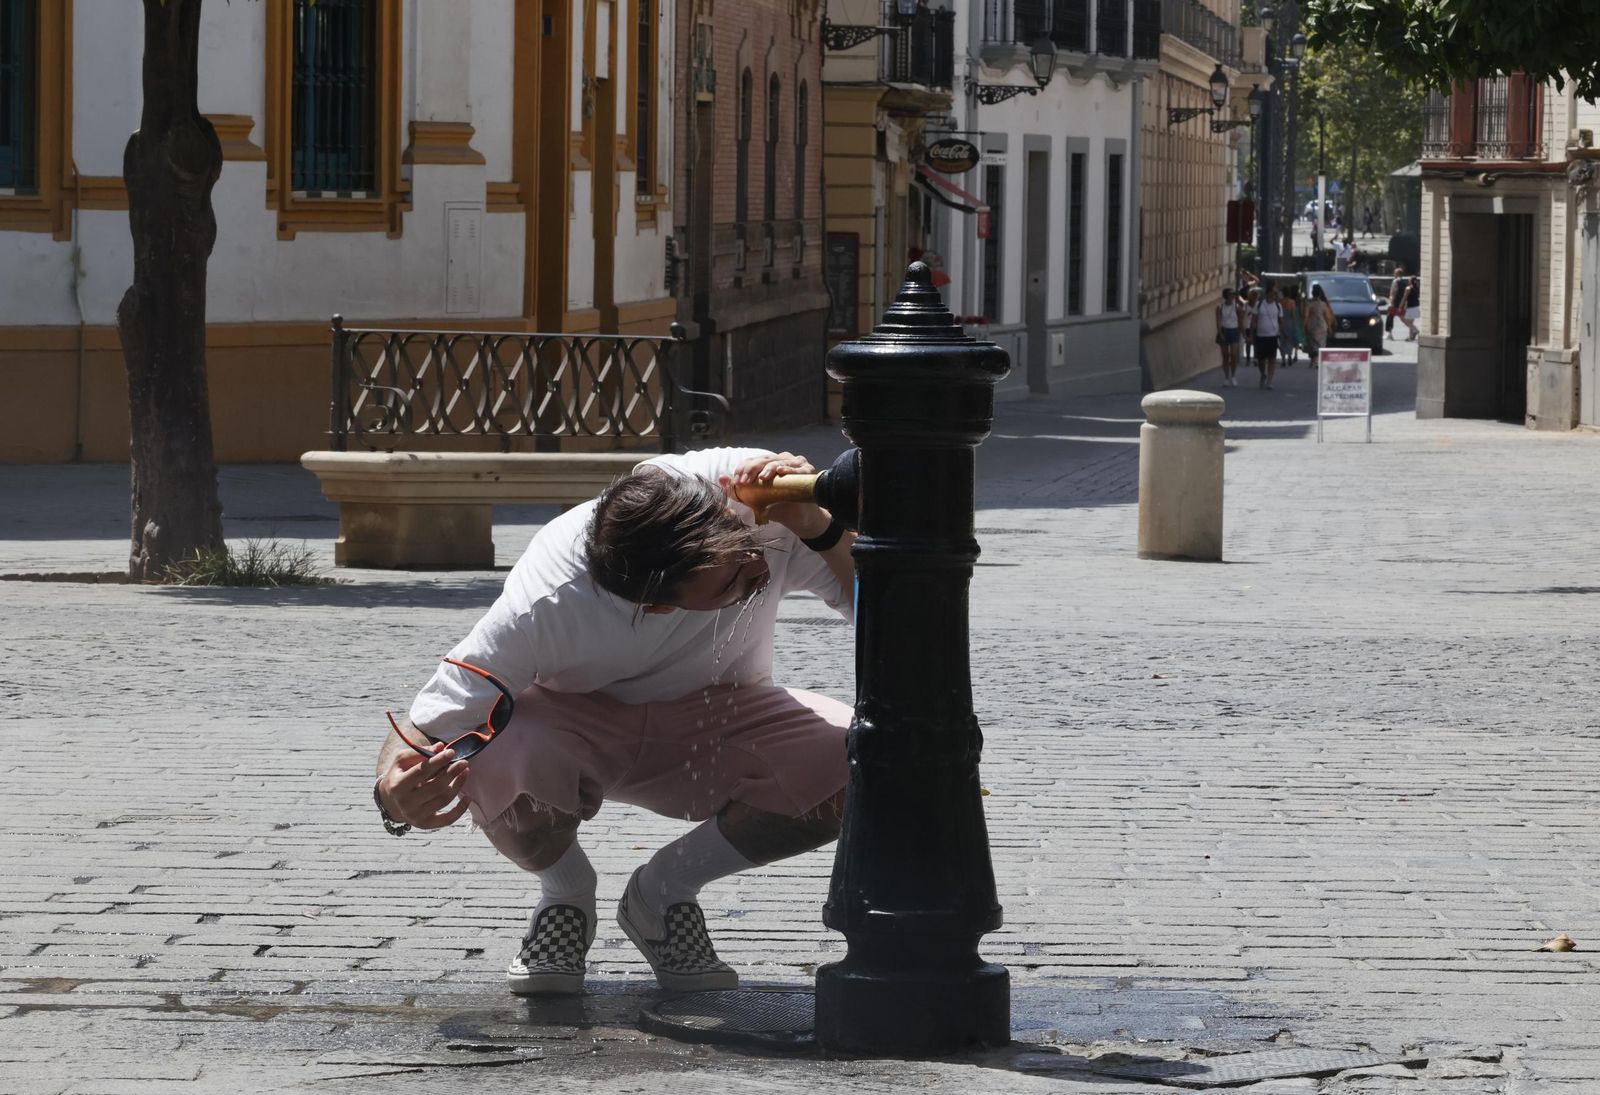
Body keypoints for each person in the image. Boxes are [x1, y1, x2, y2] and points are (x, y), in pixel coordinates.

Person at [371, 447, 857, 996]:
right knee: (487, 751)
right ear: (657, 608)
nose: (758, 573)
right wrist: (393, 798)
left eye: (745, 553)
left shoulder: (756, 497)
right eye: (729, 588)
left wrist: (820, 527)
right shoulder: (549, 603)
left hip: (722, 715)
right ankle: (567, 894)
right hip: (571, 726)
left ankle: (663, 892)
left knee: (859, 763)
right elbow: (434, 719)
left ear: (722, 514)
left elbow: (884, 607)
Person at [1253, 285, 1284, 389]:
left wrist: (1282, 332)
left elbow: (1280, 321)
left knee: (1272, 358)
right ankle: (1263, 374)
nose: (1276, 295)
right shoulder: (1259, 304)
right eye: (1274, 293)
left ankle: (1270, 381)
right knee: (1261, 359)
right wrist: (1251, 333)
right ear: (1269, 293)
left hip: (1273, 336)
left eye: (1276, 293)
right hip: (1261, 335)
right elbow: (1254, 319)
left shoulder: (1278, 306)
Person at [1216, 287, 1242, 387]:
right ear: (1226, 296)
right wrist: (1220, 333)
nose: (1232, 296)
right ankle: (1226, 377)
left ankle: (1234, 375)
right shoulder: (1220, 307)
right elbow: (1218, 321)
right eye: (1231, 294)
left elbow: (1240, 320)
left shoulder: (1237, 307)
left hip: (1234, 330)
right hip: (1224, 330)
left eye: (1233, 294)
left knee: (1234, 355)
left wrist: (1240, 332)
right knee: (1225, 356)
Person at [1305, 283, 1335, 366]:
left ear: (1312, 293)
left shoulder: (1309, 304)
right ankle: (1318, 361)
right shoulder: (1323, 304)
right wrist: (1329, 327)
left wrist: (1305, 326)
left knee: (1312, 344)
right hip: (1322, 327)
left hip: (1312, 326)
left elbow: (1306, 316)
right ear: (1320, 293)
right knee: (1321, 345)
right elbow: (1327, 317)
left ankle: (1314, 360)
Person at [1389, 266, 1419, 341]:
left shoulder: (1408, 288)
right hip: (1416, 306)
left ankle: (1416, 331)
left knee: (1407, 322)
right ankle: (1411, 337)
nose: (1408, 280)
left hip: (1410, 307)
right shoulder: (1416, 288)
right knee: (1410, 322)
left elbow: (1404, 298)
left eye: (1409, 279)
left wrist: (1400, 306)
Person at [1279, 284, 1304, 367]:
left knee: (1282, 340)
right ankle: (1289, 356)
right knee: (1290, 340)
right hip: (1289, 322)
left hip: (1282, 322)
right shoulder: (1292, 302)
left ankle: (1283, 359)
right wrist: (1294, 325)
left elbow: (1279, 314)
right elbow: (1293, 315)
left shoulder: (1280, 302)